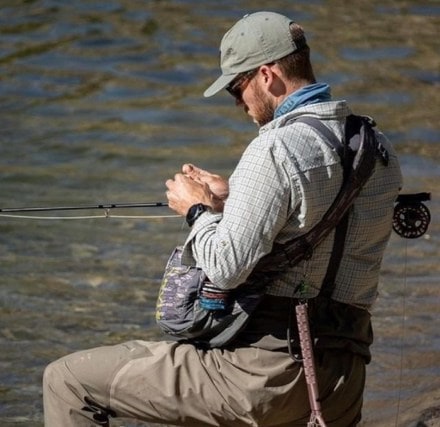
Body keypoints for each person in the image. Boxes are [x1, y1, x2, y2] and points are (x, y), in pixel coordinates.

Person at [43, 11, 402, 427]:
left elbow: (226, 269)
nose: (238, 103)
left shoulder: (273, 149)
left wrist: (197, 210)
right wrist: (236, 200)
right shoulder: (377, 147)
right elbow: (322, 222)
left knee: (67, 380)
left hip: (266, 379)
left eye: (237, 87)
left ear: (267, 75)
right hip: (342, 381)